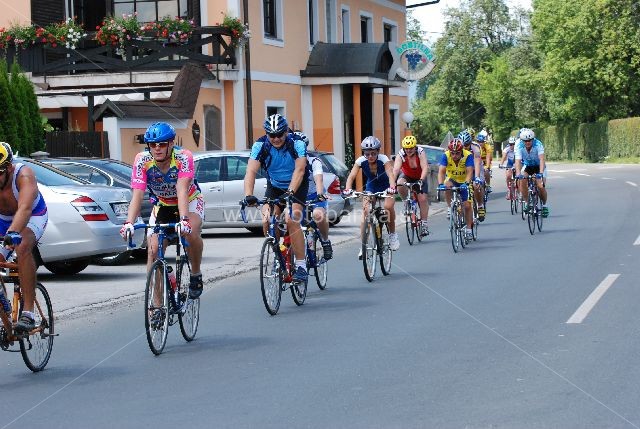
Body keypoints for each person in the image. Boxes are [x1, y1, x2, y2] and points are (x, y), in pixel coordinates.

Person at [120, 122, 205, 299]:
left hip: (189, 201)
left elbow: (181, 190)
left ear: (171, 144)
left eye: (162, 144)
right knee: (152, 251)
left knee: (191, 234)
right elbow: (137, 194)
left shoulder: (183, 157)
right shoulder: (142, 160)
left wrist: (184, 220)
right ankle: (158, 305)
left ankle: (195, 274)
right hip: (162, 205)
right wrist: (129, 223)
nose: (157, 149)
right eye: (153, 145)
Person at [243, 114, 309, 283]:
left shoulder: (297, 143)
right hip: (275, 186)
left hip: (297, 185)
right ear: (266, 134)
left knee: (291, 218)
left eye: (280, 134)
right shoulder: (260, 145)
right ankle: (278, 254)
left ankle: (301, 265)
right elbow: (250, 171)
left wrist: (291, 192)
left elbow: (300, 170)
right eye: (272, 135)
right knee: (267, 219)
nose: (276, 138)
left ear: (286, 131)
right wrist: (248, 195)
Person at [0, 142, 48, 333]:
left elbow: (25, 209)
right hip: (3, 219)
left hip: (32, 216)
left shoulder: (24, 175)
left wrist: (12, 234)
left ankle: (28, 312)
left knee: (22, 246)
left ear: (8, 168)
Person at [342, 136, 399, 258]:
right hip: (372, 185)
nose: (370, 156)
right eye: (367, 154)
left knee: (388, 206)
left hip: (386, 185)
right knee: (366, 210)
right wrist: (347, 189)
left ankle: (393, 235)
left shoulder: (384, 159)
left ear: (378, 151)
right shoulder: (360, 161)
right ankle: (363, 245)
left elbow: (390, 174)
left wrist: (392, 187)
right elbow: (351, 176)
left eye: (373, 153)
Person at [292, 131, 332, 260]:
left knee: (318, 215)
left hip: (315, 195)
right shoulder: (288, 162)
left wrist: (320, 193)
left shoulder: (314, 161)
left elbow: (318, 178)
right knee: (292, 219)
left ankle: (325, 241)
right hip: (298, 197)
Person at [392, 135, 430, 237]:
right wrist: (391, 184)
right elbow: (395, 170)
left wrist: (421, 181)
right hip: (407, 176)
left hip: (420, 176)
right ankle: (406, 202)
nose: (409, 150)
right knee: (400, 182)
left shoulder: (420, 152)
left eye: (411, 148)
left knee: (422, 199)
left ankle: (424, 224)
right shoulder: (401, 154)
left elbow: (425, 167)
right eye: (406, 148)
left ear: (415, 147)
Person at [437, 138, 474, 239]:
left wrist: (466, 183)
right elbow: (441, 171)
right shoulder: (446, 155)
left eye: (457, 153)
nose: (454, 156)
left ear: (461, 151)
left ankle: (469, 229)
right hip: (452, 179)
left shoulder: (468, 155)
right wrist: (440, 184)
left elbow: (470, 171)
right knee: (447, 185)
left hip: (464, 181)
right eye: (452, 153)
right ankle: (450, 207)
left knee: (467, 206)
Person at [515, 128, 549, 217]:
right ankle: (527, 203)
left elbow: (542, 159)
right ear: (522, 141)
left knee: (540, 185)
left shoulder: (538, 144)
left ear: (533, 139)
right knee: (522, 180)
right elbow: (518, 161)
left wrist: (540, 173)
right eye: (525, 141)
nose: (527, 142)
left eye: (529, 140)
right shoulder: (518, 145)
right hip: (528, 166)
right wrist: (518, 174)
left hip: (539, 166)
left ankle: (545, 205)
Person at [458, 130, 486, 221]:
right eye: (463, 146)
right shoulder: (456, 147)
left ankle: (480, 205)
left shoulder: (475, 147)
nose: (465, 148)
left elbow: (477, 163)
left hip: (475, 167)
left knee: (476, 185)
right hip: (463, 169)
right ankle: (459, 203)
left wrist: (477, 178)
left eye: (466, 145)